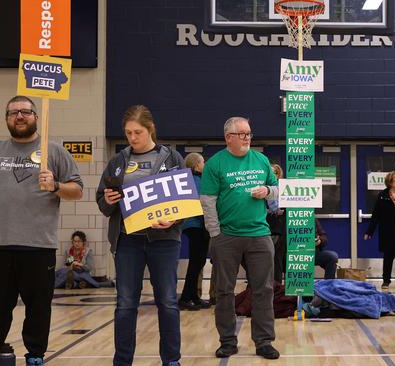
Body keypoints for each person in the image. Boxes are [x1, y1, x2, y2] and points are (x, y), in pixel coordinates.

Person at [0, 95, 83, 366]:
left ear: (36, 116)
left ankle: (35, 355)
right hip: (0, 247)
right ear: (6, 119)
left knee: (38, 310)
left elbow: (78, 190)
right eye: (13, 113)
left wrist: (56, 185)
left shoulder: (55, 151)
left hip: (39, 247)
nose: (19, 116)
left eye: (25, 111)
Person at [96, 105, 185, 366]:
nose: (132, 137)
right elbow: (102, 202)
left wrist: (174, 218)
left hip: (164, 240)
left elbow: (186, 201)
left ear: (150, 130)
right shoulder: (118, 162)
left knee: (168, 302)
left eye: (137, 132)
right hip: (128, 241)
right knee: (125, 304)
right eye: (128, 133)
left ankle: (171, 360)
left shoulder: (172, 159)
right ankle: (122, 361)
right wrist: (109, 199)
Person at [200, 117, 280, 360]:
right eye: (242, 133)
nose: (247, 138)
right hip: (227, 237)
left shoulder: (261, 160)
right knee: (224, 291)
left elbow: (277, 190)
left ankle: (264, 341)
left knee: (264, 290)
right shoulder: (215, 164)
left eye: (249, 134)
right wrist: (216, 234)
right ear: (228, 137)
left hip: (259, 235)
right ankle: (227, 341)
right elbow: (208, 202)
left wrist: (267, 191)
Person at [364, 171, 395, 289]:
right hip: (388, 232)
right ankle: (386, 280)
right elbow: (376, 215)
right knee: (388, 256)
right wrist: (369, 232)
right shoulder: (382, 196)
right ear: (390, 182)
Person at [178, 152, 211, 311]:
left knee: (198, 262)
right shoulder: (195, 179)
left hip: (193, 224)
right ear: (196, 165)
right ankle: (186, 297)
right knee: (196, 262)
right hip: (196, 224)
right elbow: (201, 202)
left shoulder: (191, 178)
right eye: (203, 162)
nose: (204, 165)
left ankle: (193, 296)